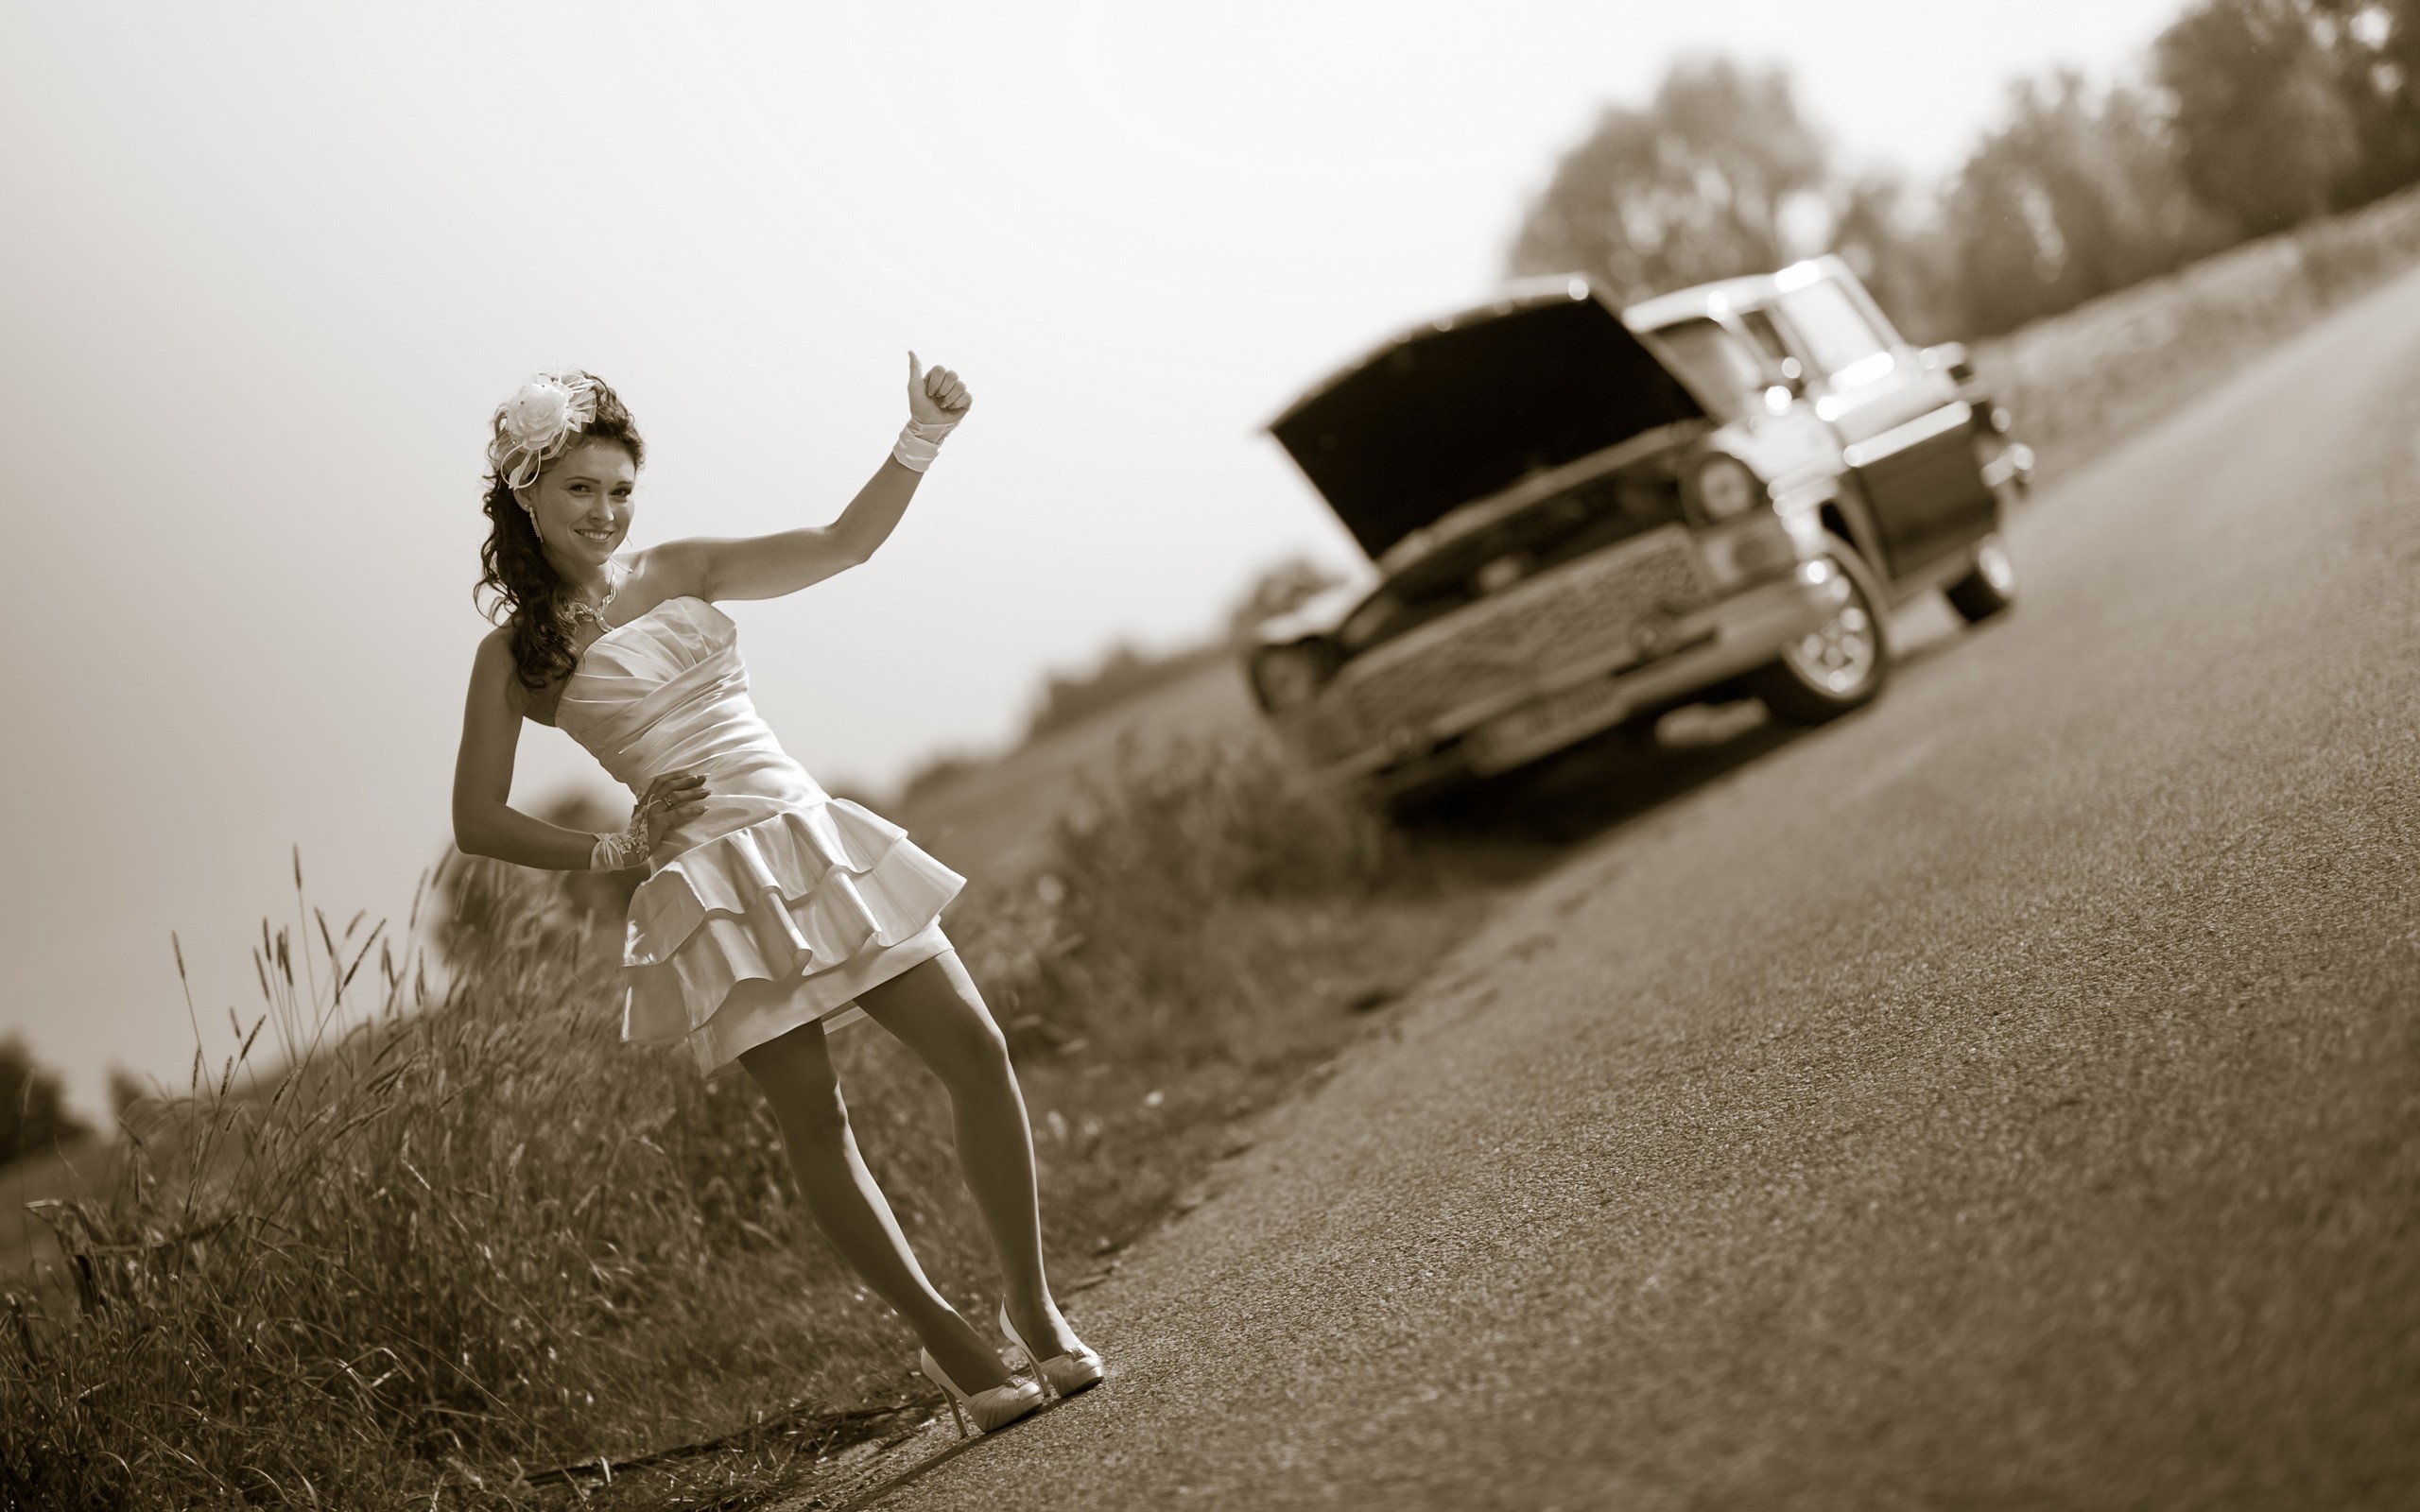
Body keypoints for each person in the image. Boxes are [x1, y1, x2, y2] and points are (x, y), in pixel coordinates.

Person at [449, 359, 1098, 1437]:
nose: (606, 512)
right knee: (817, 1117)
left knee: (976, 1050)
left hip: (808, 836)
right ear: (527, 495)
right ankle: (948, 1340)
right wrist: (613, 850)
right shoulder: (513, 657)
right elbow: (478, 818)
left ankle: (1028, 1302)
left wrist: (920, 436)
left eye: (620, 489)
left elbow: (845, 544)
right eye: (580, 491)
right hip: (705, 885)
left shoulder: (687, 564)